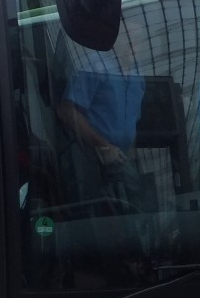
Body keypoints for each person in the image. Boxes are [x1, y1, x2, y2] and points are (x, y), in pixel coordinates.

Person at [56, 39, 146, 209]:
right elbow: (67, 111)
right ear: (115, 40)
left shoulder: (139, 74)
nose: (135, 45)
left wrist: (132, 158)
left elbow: (132, 124)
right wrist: (103, 146)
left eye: (138, 40)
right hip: (90, 161)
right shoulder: (94, 65)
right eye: (130, 40)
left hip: (124, 163)